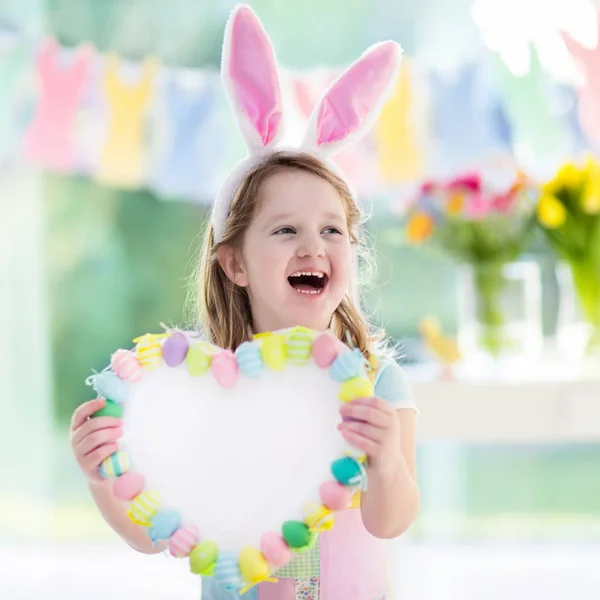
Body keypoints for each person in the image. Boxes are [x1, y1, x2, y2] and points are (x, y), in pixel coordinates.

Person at [70, 5, 419, 599]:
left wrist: (385, 462)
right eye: (286, 231)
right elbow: (154, 532)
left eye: (332, 231)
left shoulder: (375, 385)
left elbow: (391, 520)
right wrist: (104, 477)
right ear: (234, 263)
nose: (314, 245)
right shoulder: (201, 389)